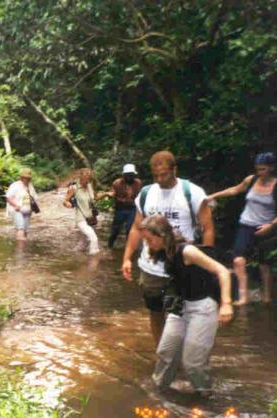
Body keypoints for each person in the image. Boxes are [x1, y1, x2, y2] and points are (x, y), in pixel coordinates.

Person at [122, 151, 214, 345]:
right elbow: (136, 228)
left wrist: (206, 263)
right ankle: (162, 354)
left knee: (184, 314)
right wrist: (127, 258)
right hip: (151, 267)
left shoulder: (193, 193)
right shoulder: (146, 194)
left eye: (164, 174)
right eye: (156, 176)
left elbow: (207, 228)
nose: (160, 179)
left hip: (183, 266)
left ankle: (185, 352)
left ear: (174, 170)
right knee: (155, 313)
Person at [138, 215, 233, 397]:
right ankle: (157, 392)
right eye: (145, 240)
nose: (147, 244)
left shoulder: (187, 251)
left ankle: (206, 396)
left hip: (202, 308)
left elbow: (222, 271)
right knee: (166, 353)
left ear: (163, 235)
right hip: (180, 307)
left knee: (193, 363)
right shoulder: (163, 251)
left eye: (149, 240)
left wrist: (226, 303)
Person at [206, 152, 277, 305]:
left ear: (271, 168)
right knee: (238, 260)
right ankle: (243, 297)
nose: (260, 172)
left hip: (266, 227)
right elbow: (235, 190)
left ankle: (267, 296)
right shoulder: (251, 180)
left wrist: (271, 225)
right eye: (257, 169)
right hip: (246, 224)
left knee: (265, 264)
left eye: (263, 169)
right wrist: (213, 196)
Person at [63, 168, 100, 255]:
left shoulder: (90, 186)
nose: (87, 178)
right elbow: (65, 200)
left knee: (84, 242)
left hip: (90, 218)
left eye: (89, 176)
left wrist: (106, 194)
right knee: (93, 238)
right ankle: (94, 259)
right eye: (86, 175)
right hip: (80, 219)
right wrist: (67, 203)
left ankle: (74, 254)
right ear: (81, 176)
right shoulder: (74, 188)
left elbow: (94, 198)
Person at [105, 163, 142, 248]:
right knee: (115, 230)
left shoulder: (138, 183)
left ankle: (129, 248)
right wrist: (109, 194)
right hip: (120, 209)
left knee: (129, 229)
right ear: (124, 174)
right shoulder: (117, 183)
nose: (130, 176)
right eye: (128, 174)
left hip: (132, 209)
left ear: (134, 174)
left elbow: (140, 196)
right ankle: (109, 246)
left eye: (131, 174)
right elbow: (113, 192)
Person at [6, 168, 39, 241]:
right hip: (17, 210)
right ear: (21, 178)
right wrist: (15, 205)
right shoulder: (15, 185)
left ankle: (23, 248)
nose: (26, 180)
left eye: (28, 178)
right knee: (21, 228)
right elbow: (8, 198)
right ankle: (20, 251)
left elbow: (35, 198)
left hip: (27, 211)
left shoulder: (30, 186)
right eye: (25, 178)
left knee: (25, 231)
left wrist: (34, 207)